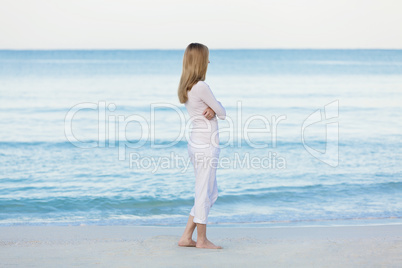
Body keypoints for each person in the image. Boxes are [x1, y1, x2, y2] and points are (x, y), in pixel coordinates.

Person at [177, 43, 226, 249]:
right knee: (204, 193)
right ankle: (202, 240)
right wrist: (215, 111)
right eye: (206, 58)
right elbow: (223, 112)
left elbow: (210, 110)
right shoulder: (201, 87)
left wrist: (212, 110)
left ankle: (187, 237)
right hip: (206, 145)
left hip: (196, 144)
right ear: (199, 61)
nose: (208, 61)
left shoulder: (187, 87)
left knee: (209, 193)